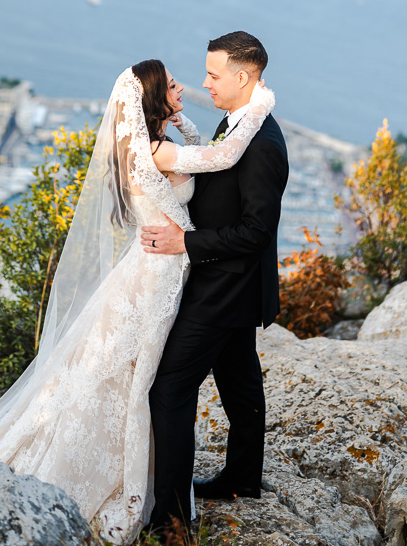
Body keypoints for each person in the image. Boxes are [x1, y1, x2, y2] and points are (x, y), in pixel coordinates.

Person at [0, 58, 275, 545]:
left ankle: (160, 474)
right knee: (139, 377)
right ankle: (138, 485)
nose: (188, 87)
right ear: (153, 99)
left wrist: (184, 123)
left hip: (164, 269)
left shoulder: (150, 146)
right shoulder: (156, 152)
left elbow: (199, 156)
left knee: (136, 374)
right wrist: (260, 103)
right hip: (157, 275)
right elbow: (221, 157)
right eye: (173, 85)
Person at [141, 31, 289, 538]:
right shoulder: (238, 123)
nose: (205, 83)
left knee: (169, 390)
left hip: (224, 287)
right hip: (230, 282)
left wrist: (186, 242)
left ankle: (171, 520)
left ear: (242, 77)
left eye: (213, 74)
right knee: (240, 380)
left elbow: (256, 231)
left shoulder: (263, 144)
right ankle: (242, 477)